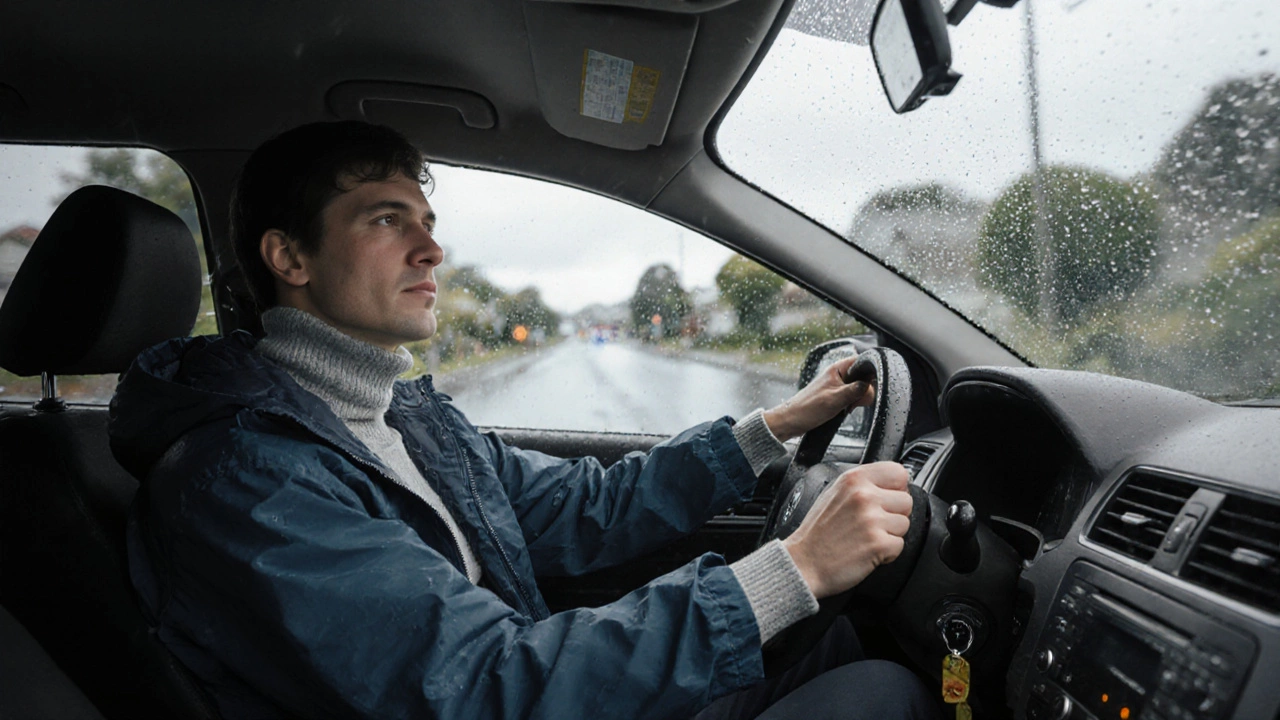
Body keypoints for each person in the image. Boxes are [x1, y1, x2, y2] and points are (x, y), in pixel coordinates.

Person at [110, 121, 940, 720]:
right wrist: (791, 569)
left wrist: (777, 427)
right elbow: (479, 683)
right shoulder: (249, 479)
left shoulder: (400, 418)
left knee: (835, 647)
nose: (431, 251)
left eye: (427, 223)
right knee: (885, 692)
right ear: (288, 257)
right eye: (385, 220)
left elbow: (588, 509)